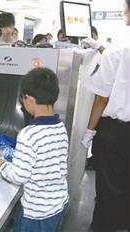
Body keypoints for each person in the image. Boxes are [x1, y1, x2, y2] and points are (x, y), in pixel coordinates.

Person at [0, 67, 69, 232]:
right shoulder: (60, 126)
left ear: (27, 98)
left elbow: (19, 176)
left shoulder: (28, 134)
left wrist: (1, 165)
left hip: (36, 213)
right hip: (59, 204)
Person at [80, 1, 130, 230]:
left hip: (118, 131)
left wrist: (89, 131)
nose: (123, 12)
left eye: (125, 8)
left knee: (110, 185)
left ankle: (103, 227)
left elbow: (101, 98)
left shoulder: (119, 51)